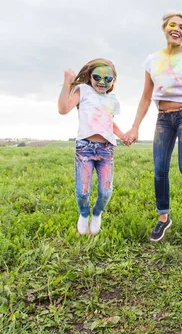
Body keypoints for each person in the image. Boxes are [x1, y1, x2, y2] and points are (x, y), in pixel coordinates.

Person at [124, 11, 182, 248]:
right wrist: (135, 127)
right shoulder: (152, 60)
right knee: (159, 170)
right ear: (165, 28)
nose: (176, 29)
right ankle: (163, 217)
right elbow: (146, 96)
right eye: (172, 25)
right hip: (163, 118)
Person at [58, 58, 127, 235]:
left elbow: (109, 122)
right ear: (90, 76)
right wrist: (67, 82)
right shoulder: (84, 91)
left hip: (106, 150)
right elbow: (63, 109)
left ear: (113, 81)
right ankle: (83, 214)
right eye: (97, 77)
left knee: (106, 191)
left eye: (108, 79)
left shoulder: (112, 99)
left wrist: (123, 136)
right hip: (85, 149)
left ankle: (97, 214)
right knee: (83, 191)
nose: (102, 82)